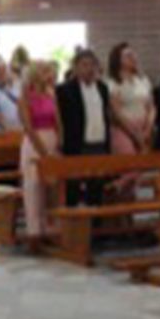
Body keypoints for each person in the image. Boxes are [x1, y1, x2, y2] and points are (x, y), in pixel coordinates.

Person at [55, 50, 111, 207]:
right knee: (73, 188)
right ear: (76, 67)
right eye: (85, 65)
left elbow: (105, 115)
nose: (89, 69)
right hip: (77, 144)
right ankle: (75, 227)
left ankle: (97, 227)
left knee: (97, 188)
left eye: (93, 65)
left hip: (98, 143)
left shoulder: (102, 88)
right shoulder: (65, 90)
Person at [19, 62, 59, 250]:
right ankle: (34, 232)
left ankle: (50, 229)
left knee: (51, 188)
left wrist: (59, 142)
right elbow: (28, 125)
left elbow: (58, 121)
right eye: (45, 71)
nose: (49, 75)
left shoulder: (51, 94)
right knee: (34, 187)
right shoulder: (26, 96)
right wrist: (42, 151)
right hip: (34, 142)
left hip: (51, 138)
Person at [106, 43, 154, 155]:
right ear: (118, 60)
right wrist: (135, 134)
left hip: (144, 127)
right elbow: (116, 112)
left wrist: (148, 128)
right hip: (124, 130)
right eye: (128, 55)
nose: (133, 57)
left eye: (134, 54)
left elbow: (151, 107)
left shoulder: (143, 80)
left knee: (145, 166)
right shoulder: (113, 83)